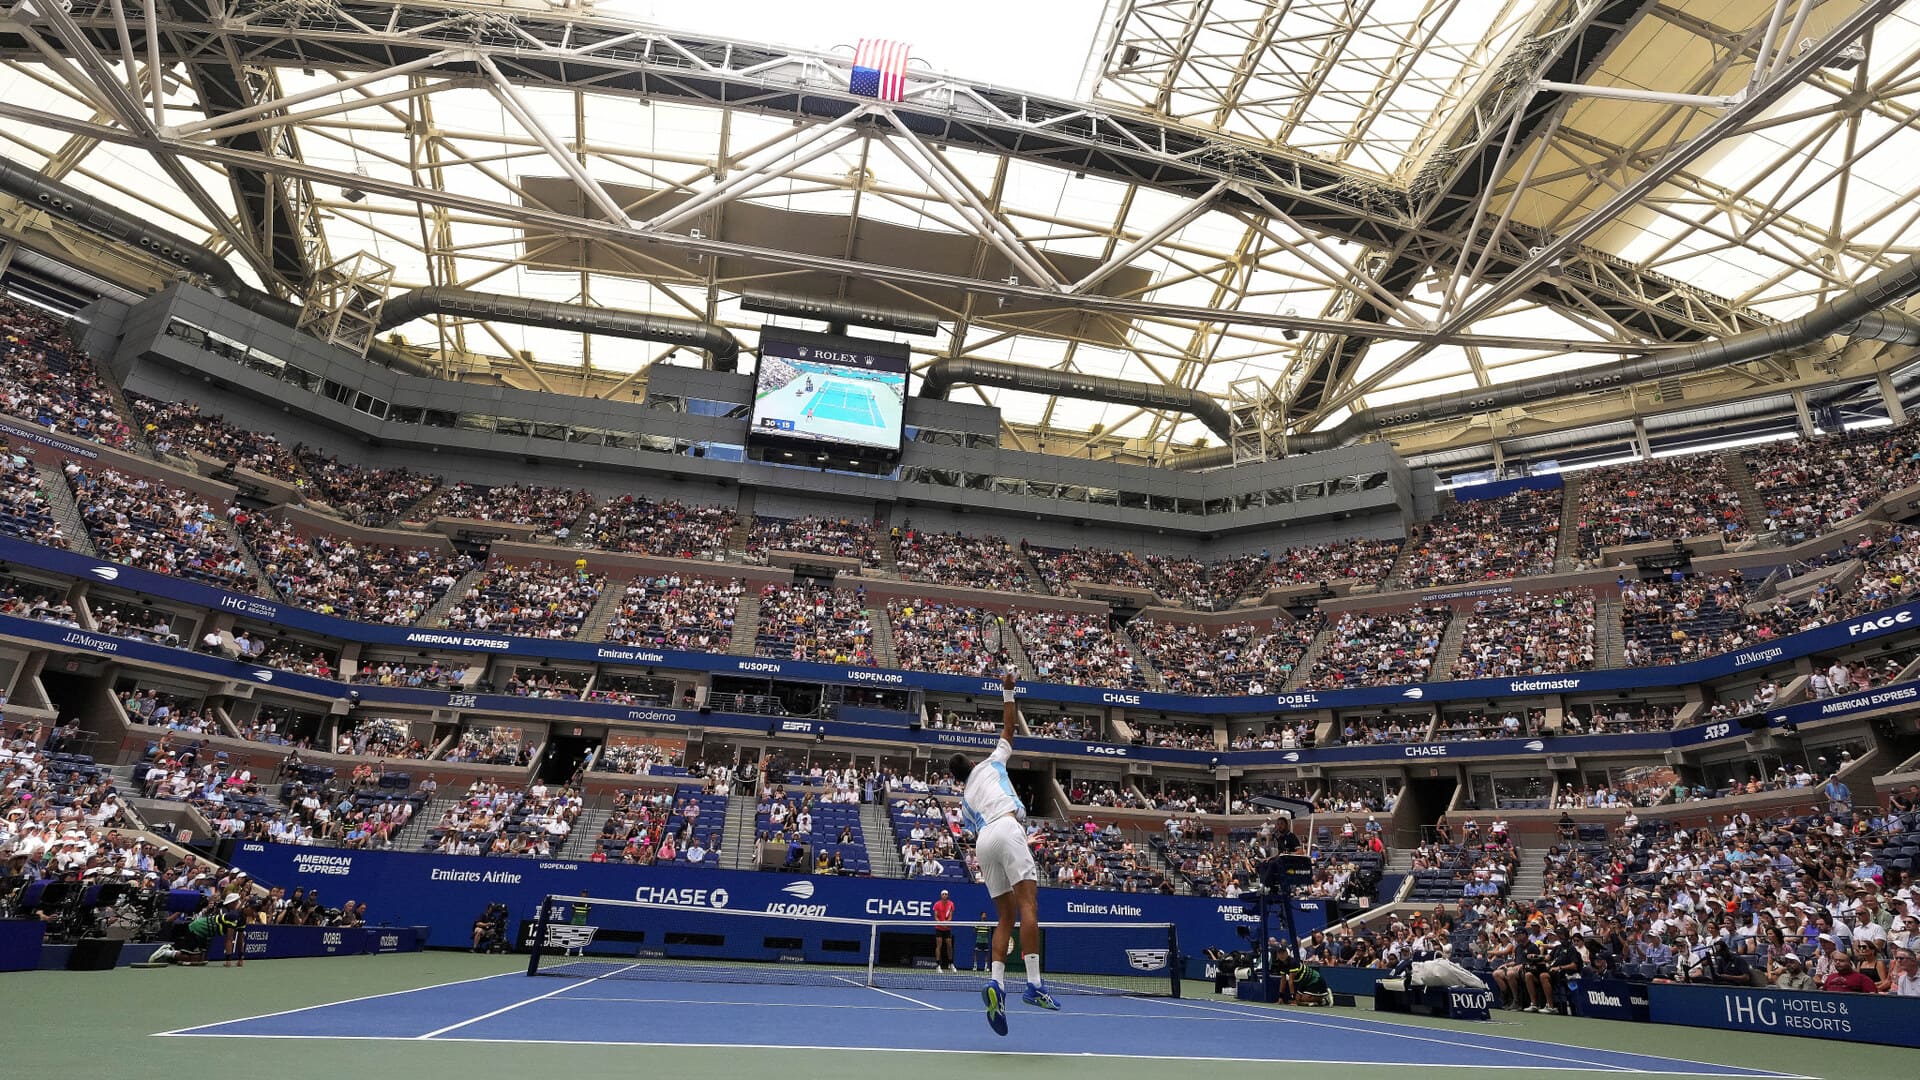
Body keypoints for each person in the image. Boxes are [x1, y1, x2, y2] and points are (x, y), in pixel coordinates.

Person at [950, 668, 1057, 1035]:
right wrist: (1008, 691)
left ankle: (996, 983)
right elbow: (1009, 729)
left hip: (983, 842)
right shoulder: (992, 762)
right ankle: (1034, 984)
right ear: (972, 763)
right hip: (1008, 827)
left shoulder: (964, 800)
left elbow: (973, 827)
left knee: (1004, 917)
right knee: (1029, 907)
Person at [932, 888, 957, 974]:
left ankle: (951, 963)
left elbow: (950, 916)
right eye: (943, 894)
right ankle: (938, 965)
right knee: (939, 945)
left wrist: (947, 923)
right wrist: (941, 924)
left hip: (947, 928)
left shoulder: (951, 904)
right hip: (939, 928)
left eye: (946, 894)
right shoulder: (937, 904)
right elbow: (935, 917)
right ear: (941, 895)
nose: (944, 895)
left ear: (948, 895)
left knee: (949, 945)